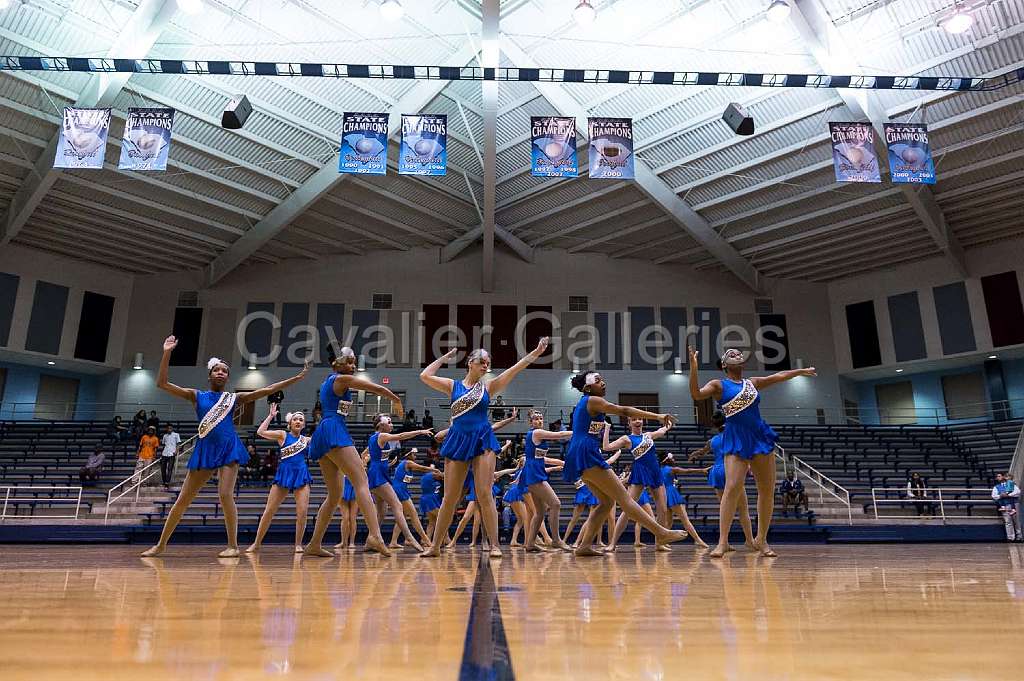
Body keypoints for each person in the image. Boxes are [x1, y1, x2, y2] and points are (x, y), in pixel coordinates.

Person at [141, 335, 310, 558]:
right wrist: (167, 352)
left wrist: (296, 378)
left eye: (224, 371)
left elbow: (267, 390)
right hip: (205, 450)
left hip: (229, 448)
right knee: (183, 499)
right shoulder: (196, 395)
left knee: (225, 495)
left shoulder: (233, 398)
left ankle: (233, 546)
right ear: (209, 374)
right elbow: (162, 383)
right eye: (217, 370)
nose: (221, 373)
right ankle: (161, 545)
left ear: (228, 377)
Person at [419, 341, 549, 558]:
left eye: (488, 364)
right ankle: (434, 546)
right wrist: (444, 358)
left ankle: (495, 545)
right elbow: (425, 375)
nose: (485, 367)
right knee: (450, 498)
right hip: (458, 439)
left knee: (484, 493)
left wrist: (534, 353)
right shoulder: (453, 386)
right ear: (470, 363)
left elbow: (514, 369)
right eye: (482, 362)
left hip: (482, 439)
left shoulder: (488, 387)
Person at [689, 346, 816, 558]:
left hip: (759, 435)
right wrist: (693, 368)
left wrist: (799, 372)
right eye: (731, 354)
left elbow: (778, 376)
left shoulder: (752, 383)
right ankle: (722, 542)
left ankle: (761, 540)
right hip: (736, 437)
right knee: (731, 488)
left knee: (766, 490)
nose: (737, 355)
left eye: (739, 354)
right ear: (724, 365)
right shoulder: (718, 385)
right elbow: (696, 394)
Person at [563, 371, 687, 557]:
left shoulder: (588, 402)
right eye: (598, 381)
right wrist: (658, 416)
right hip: (585, 452)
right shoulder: (592, 400)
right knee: (625, 499)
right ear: (588, 388)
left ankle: (584, 546)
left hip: (581, 452)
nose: (603, 383)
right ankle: (661, 533)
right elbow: (625, 411)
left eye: (602, 379)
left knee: (606, 502)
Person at [303, 346, 405, 557]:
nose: (353, 365)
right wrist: (395, 399)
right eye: (349, 362)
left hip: (325, 431)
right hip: (333, 429)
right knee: (361, 482)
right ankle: (375, 536)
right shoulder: (341, 379)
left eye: (354, 361)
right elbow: (376, 388)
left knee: (334, 495)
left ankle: (314, 544)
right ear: (337, 364)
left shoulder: (330, 382)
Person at [246, 405, 313, 554]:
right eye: (295, 419)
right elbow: (260, 432)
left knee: (302, 512)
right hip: (284, 473)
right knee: (269, 510)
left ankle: (298, 545)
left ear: (303, 424)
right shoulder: (283, 435)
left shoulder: (307, 440)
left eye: (301, 420)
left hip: (301, 474)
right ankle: (256, 543)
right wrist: (270, 416)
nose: (298, 421)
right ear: (290, 423)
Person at [603, 416, 677, 552]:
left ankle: (659, 543)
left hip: (655, 470)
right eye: (634, 419)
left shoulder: (648, 435)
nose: (638, 421)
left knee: (663, 509)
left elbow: (663, 430)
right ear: (629, 422)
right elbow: (606, 447)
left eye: (640, 419)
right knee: (627, 509)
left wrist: (669, 421)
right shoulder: (627, 438)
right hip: (640, 471)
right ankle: (612, 543)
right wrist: (607, 428)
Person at [364, 414, 433, 552]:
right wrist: (420, 431)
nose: (391, 425)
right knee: (397, 505)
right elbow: (401, 436)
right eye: (389, 423)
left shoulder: (375, 439)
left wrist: (387, 464)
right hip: (378, 476)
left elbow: (365, 454)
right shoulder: (381, 436)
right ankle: (410, 538)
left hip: (379, 473)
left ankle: (370, 541)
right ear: (381, 425)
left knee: (382, 512)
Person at [690, 410, 755, 551]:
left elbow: (702, 451)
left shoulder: (712, 441)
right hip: (730, 469)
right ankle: (749, 540)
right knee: (743, 509)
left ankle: (724, 542)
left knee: (726, 509)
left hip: (716, 471)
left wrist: (696, 454)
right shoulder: (734, 435)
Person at [521, 409, 574, 551]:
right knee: (555, 504)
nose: (539, 421)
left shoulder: (537, 437)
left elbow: (542, 458)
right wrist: (578, 432)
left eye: (541, 419)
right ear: (530, 422)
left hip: (534, 471)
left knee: (540, 511)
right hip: (534, 474)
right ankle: (556, 540)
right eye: (535, 419)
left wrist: (561, 462)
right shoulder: (536, 433)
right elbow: (560, 434)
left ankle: (530, 543)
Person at [561, 450, 621, 546]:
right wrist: (617, 454)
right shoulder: (584, 461)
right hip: (587, 489)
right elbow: (608, 462)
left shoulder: (589, 461)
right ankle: (571, 541)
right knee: (586, 518)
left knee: (598, 516)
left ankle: (599, 541)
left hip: (593, 488)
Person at [388, 448, 440, 549]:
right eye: (414, 454)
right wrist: (433, 469)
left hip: (400, 489)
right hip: (400, 490)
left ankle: (393, 542)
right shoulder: (408, 462)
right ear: (408, 455)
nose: (415, 456)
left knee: (402, 516)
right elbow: (422, 468)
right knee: (414, 515)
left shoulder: (405, 464)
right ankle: (426, 540)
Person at [658, 452, 708, 547]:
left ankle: (662, 541)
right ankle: (697, 539)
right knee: (685, 520)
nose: (674, 460)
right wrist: (702, 470)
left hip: (663, 495)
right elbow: (687, 470)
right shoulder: (672, 469)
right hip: (672, 494)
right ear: (667, 460)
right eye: (672, 458)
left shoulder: (659, 470)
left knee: (668, 521)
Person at [992, 472, 1022, 542]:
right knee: (1008, 521)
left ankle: (1019, 536)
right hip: (1005, 504)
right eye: (997, 477)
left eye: (999, 476)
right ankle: (1010, 537)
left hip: (1014, 503)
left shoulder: (1011, 484)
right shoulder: (996, 487)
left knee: (1016, 520)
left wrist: (1009, 495)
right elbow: (994, 496)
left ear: (1003, 477)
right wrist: (1000, 496)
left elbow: (1018, 492)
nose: (998, 478)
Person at [159, 423, 181, 488]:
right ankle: (164, 481)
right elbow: (163, 445)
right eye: (168, 428)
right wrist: (161, 454)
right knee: (163, 468)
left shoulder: (176, 435)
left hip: (172, 453)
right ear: (166, 429)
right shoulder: (165, 436)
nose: (169, 429)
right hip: (164, 453)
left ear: (172, 428)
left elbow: (178, 444)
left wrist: (176, 451)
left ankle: (167, 482)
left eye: (170, 428)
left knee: (170, 468)